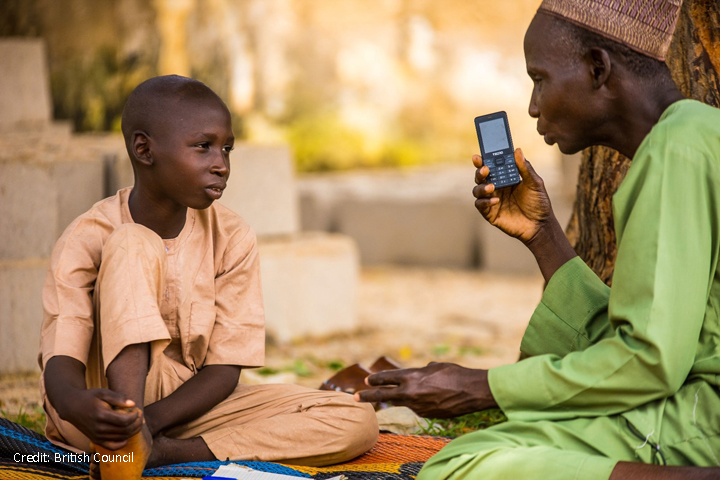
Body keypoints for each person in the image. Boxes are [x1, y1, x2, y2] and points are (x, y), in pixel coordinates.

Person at [356, 0, 720, 479]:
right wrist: (543, 234)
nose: (532, 106)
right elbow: (644, 339)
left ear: (597, 68)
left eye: (539, 79)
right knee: (496, 446)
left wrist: (481, 387)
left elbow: (649, 362)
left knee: (461, 466)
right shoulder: (694, 133)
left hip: (699, 421)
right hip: (690, 404)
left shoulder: (678, 151)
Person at [39, 75, 378, 478]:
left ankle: (159, 453)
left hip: (182, 414)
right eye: (203, 147)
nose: (221, 164)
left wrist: (150, 424)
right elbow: (62, 352)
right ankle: (123, 448)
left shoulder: (232, 236)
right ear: (144, 149)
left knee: (355, 419)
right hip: (97, 417)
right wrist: (74, 403)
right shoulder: (88, 235)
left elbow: (223, 370)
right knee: (132, 242)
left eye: (227, 149)